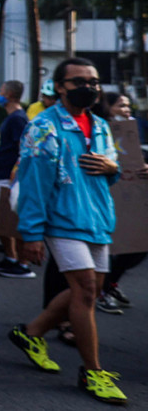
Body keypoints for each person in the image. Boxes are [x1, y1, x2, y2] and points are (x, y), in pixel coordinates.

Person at [9, 57, 126, 404]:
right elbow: (32, 183)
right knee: (87, 291)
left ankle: (31, 333)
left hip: (98, 220)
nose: (88, 87)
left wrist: (112, 167)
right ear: (59, 87)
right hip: (62, 220)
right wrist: (31, 233)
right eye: (78, 82)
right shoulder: (43, 127)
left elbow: (111, 170)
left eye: (93, 81)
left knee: (90, 289)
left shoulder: (100, 125)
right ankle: (93, 372)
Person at [93, 92, 147, 315]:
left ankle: (109, 284)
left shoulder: (134, 130)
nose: (127, 110)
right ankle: (100, 290)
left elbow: (140, 159)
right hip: (104, 198)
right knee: (108, 248)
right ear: (107, 108)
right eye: (121, 105)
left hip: (131, 198)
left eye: (128, 106)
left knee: (138, 246)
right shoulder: (96, 132)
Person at [0, 80, 34, 278]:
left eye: (1, 91)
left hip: (10, 176)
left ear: (9, 94)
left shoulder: (17, 119)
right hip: (2, 174)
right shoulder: (12, 117)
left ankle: (22, 263)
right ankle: (10, 258)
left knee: (11, 221)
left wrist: (16, 172)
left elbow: (23, 148)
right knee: (1, 221)